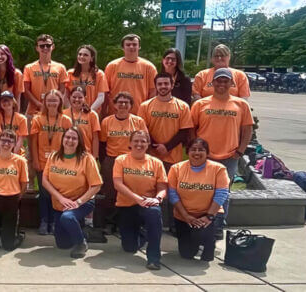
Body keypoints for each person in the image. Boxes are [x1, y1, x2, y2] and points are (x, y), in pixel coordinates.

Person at [41, 127, 102, 258]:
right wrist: (60, 198)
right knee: (62, 244)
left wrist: (78, 202)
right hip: (60, 204)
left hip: (81, 202)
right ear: (62, 139)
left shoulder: (86, 159)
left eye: (74, 138)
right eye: (67, 137)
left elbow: (96, 185)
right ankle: (82, 231)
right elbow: (45, 180)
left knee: (68, 217)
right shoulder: (54, 156)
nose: (70, 140)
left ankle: (81, 243)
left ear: (79, 141)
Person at [113, 130, 168, 270]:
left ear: (148, 143)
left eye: (143, 141)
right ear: (130, 143)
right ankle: (143, 233)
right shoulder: (121, 160)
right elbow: (117, 184)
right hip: (127, 205)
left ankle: (154, 257)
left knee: (154, 213)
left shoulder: (156, 163)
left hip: (148, 204)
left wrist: (157, 199)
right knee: (129, 248)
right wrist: (137, 198)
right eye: (136, 141)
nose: (139, 144)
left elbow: (162, 187)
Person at [168, 138, 229, 261]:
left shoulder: (218, 169)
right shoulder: (176, 168)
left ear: (207, 153)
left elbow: (222, 194)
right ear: (187, 152)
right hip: (184, 215)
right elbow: (172, 194)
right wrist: (185, 216)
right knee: (187, 254)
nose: (197, 153)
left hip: (209, 215)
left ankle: (208, 243)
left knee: (206, 256)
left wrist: (209, 217)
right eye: (193, 150)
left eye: (201, 150)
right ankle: (195, 241)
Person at [98, 92, 148, 238]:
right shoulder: (107, 121)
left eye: (127, 103)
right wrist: (104, 162)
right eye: (120, 102)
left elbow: (144, 142)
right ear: (114, 105)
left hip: (132, 160)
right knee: (110, 193)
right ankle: (110, 223)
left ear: (131, 106)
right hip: (112, 159)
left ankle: (125, 223)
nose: (123, 105)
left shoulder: (138, 121)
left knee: (129, 192)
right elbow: (102, 143)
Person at [190, 68, 253, 181]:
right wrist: (196, 150)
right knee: (202, 189)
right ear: (213, 83)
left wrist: (240, 152)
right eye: (219, 81)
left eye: (225, 81)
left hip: (230, 156)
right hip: (204, 155)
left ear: (232, 83)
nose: (222, 84)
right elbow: (191, 129)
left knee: (224, 192)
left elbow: (247, 130)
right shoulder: (200, 104)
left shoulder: (242, 105)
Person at [29, 90, 73, 235]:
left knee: (56, 194)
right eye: (49, 100)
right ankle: (44, 221)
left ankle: (54, 222)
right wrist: (35, 160)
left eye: (55, 100)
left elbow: (70, 143)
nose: (52, 103)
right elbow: (33, 143)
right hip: (42, 161)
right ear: (45, 102)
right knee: (44, 194)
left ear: (60, 102)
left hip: (59, 163)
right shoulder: (37, 119)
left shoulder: (66, 120)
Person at [0, 130, 29, 250]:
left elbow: (24, 183)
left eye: (10, 141)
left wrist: (18, 196)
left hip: (11, 199)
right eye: (3, 140)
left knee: (8, 246)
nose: (6, 144)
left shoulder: (20, 161)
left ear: (14, 144)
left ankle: (19, 235)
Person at [139, 73, 193, 170]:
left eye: (166, 83)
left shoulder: (183, 106)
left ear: (172, 85)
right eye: (159, 84)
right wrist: (156, 147)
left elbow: (184, 131)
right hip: (151, 156)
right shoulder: (145, 106)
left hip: (173, 158)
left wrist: (167, 147)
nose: (163, 86)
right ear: (155, 86)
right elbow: (142, 130)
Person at [104, 34, 157, 116]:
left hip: (139, 115)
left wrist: (148, 111)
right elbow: (105, 92)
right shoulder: (112, 66)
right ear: (123, 47)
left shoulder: (149, 67)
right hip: (115, 114)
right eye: (128, 45)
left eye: (134, 44)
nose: (131, 47)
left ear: (139, 47)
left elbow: (153, 92)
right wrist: (104, 111)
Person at [23, 34, 68, 116]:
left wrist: (52, 102)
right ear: (37, 48)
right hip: (33, 111)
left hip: (54, 110)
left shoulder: (61, 67)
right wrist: (38, 104)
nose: (45, 48)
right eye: (42, 46)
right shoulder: (29, 67)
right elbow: (26, 90)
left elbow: (62, 89)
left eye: (48, 45)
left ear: (53, 46)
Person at [67, 45, 108, 113]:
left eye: (85, 55)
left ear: (92, 58)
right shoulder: (70, 73)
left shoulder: (99, 74)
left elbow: (101, 97)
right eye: (80, 54)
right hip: (73, 114)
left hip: (91, 112)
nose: (82, 57)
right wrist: (71, 110)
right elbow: (65, 96)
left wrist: (89, 111)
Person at [64, 87, 101, 157]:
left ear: (85, 98)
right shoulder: (63, 114)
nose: (77, 99)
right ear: (70, 97)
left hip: (85, 154)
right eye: (74, 97)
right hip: (67, 153)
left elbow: (95, 138)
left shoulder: (92, 115)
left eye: (80, 97)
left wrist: (95, 157)